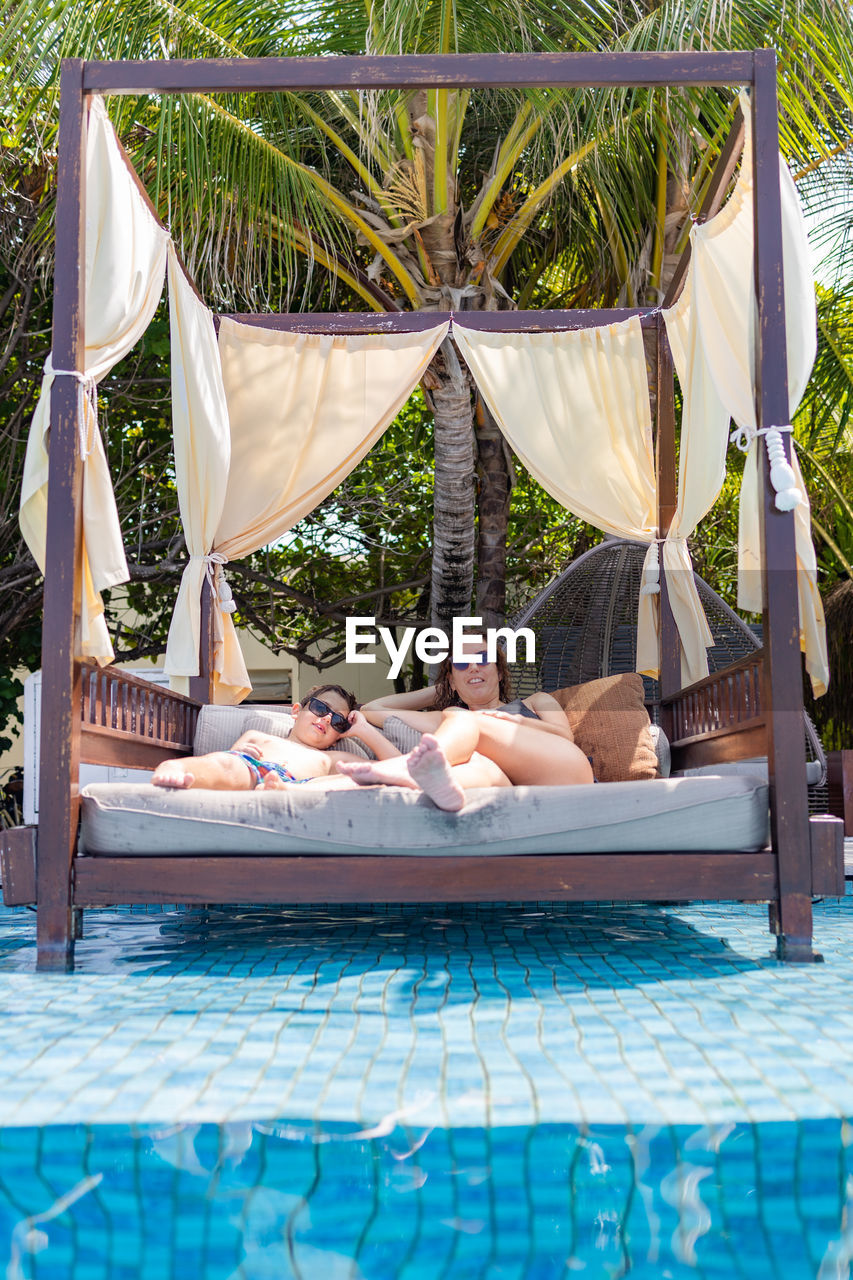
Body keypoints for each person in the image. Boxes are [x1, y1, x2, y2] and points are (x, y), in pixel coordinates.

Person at [337, 644, 593, 810]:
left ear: (500, 672)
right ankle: (434, 784)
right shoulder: (450, 721)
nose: (473, 666)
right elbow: (372, 710)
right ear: (452, 680)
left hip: (565, 774)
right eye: (461, 664)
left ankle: (406, 769)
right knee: (479, 764)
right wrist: (444, 688)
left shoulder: (536, 701)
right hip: (511, 793)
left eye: (483, 659)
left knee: (462, 717)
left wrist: (519, 721)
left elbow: (565, 738)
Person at [151, 684, 401, 791]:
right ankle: (175, 766)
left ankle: (279, 791)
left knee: (355, 783)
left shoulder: (334, 757)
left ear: (338, 735)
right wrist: (243, 755)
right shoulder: (258, 735)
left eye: (337, 721)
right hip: (252, 768)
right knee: (227, 765)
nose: (326, 719)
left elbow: (398, 769)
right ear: (296, 711)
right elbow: (232, 757)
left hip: (295, 786)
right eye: (321, 709)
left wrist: (365, 730)